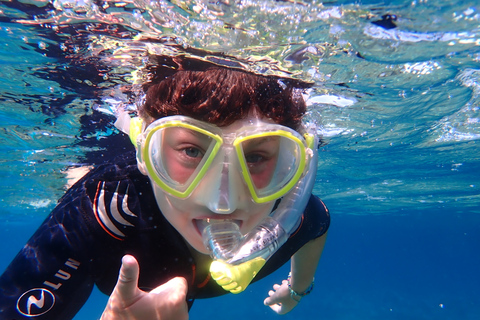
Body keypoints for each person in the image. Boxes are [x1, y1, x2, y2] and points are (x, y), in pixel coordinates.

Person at [0, 55, 330, 320]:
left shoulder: (289, 210)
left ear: (297, 166)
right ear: (146, 151)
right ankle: (78, 172)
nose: (222, 203)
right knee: (83, 177)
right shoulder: (103, 210)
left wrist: (298, 288)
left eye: (256, 156)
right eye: (192, 151)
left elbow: (318, 225)